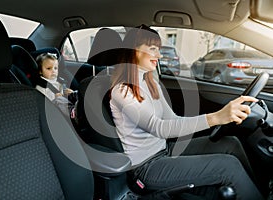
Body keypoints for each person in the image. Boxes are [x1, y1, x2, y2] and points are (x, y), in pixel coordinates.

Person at [109, 25, 264, 199]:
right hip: (146, 168)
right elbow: (159, 128)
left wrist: (220, 116)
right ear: (134, 51)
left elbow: (172, 119)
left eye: (159, 49)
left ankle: (257, 191)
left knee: (231, 144)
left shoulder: (150, 83)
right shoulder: (122, 91)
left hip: (166, 150)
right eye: (153, 49)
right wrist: (216, 117)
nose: (159, 56)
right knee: (228, 166)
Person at [35, 52, 77, 119]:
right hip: (55, 110)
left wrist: (70, 93)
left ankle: (82, 106)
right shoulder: (41, 87)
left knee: (76, 93)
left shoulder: (60, 80)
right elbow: (44, 105)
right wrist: (56, 98)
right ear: (40, 71)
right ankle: (74, 113)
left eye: (55, 68)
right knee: (59, 100)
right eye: (49, 68)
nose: (53, 71)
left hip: (67, 105)